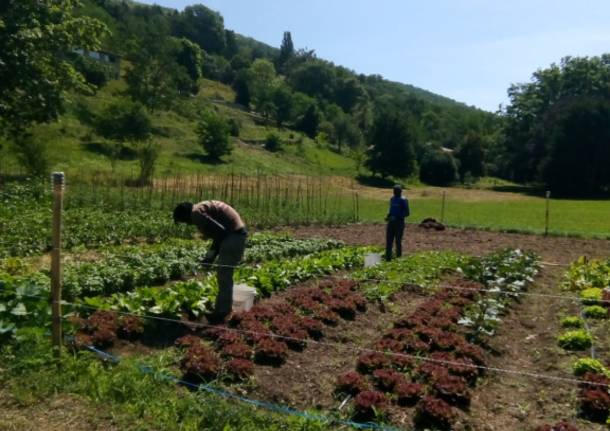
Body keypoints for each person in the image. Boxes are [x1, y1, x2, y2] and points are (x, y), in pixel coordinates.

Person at [173, 200, 247, 323]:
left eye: (184, 221)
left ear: (185, 215)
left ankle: (222, 313)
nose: (187, 224)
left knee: (224, 275)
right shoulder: (200, 208)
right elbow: (220, 233)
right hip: (234, 235)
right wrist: (210, 257)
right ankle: (222, 309)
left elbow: (221, 233)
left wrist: (210, 257)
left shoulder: (196, 213)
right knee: (224, 275)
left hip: (233, 237)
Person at [385, 185, 410, 260]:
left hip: (399, 223)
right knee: (389, 240)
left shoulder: (403, 200)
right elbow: (391, 210)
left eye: (396, 191)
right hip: (391, 222)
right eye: (394, 191)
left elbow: (407, 213)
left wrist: (397, 216)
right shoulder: (392, 199)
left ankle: (398, 257)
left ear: (400, 192)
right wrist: (388, 216)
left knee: (398, 241)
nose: (395, 193)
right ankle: (388, 257)